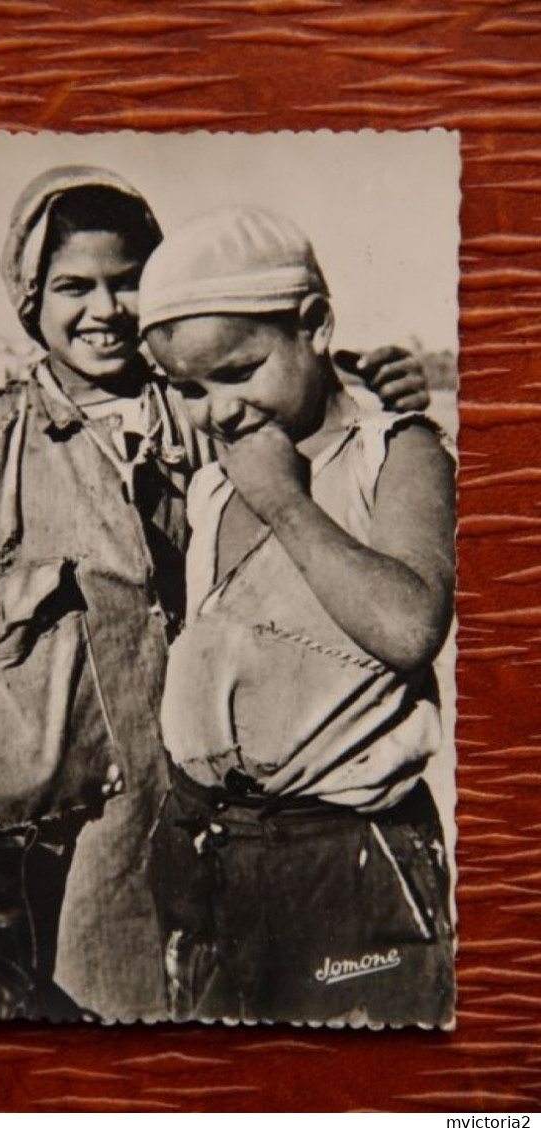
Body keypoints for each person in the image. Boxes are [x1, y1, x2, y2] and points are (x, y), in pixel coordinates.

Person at [0, 167, 432, 1022]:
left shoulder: (203, 410)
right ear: (31, 297)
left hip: (169, 813)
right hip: (30, 826)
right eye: (74, 286)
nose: (105, 309)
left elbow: (316, 409)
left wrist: (378, 380)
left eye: (127, 282)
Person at [139, 206, 456, 1027]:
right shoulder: (213, 481)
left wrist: (284, 499)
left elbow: (412, 625)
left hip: (347, 858)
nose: (218, 412)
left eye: (239, 371)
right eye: (188, 388)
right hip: (208, 848)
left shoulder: (398, 452)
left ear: (314, 325)